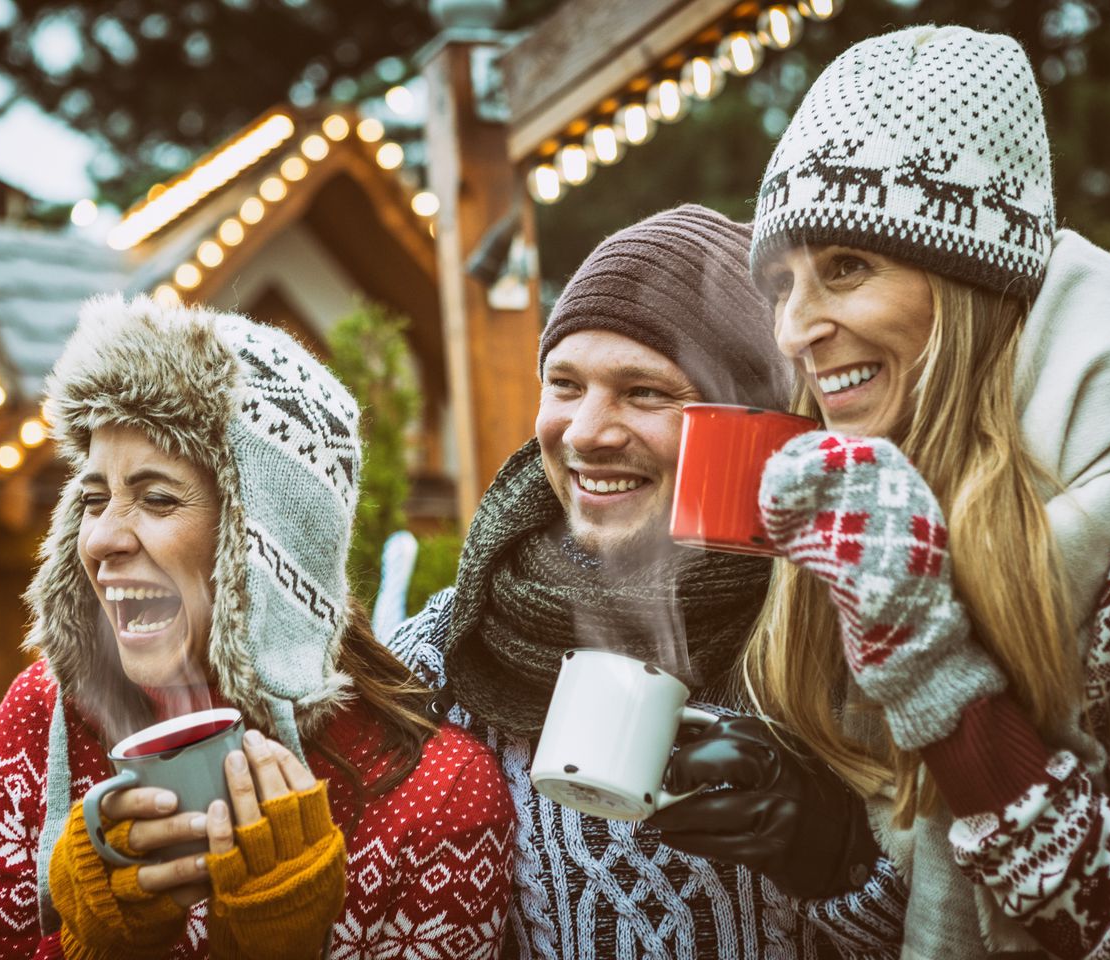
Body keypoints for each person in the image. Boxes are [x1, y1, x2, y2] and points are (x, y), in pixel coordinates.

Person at [667, 23, 1110, 959]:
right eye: (784, 284)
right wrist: (826, 855)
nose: (794, 331)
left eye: (846, 268)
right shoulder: (871, 499)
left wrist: (938, 681)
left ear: (969, 281)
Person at [388, 204, 910, 959]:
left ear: (754, 417)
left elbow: (995, 927)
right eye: (564, 385)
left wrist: (845, 865)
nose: (588, 432)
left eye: (646, 393)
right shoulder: (453, 642)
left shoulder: (852, 622)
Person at [0, 296, 516, 959]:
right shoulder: (46, 718)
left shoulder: (438, 795)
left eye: (156, 497)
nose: (101, 539)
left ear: (270, 540)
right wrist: (89, 947)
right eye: (93, 499)